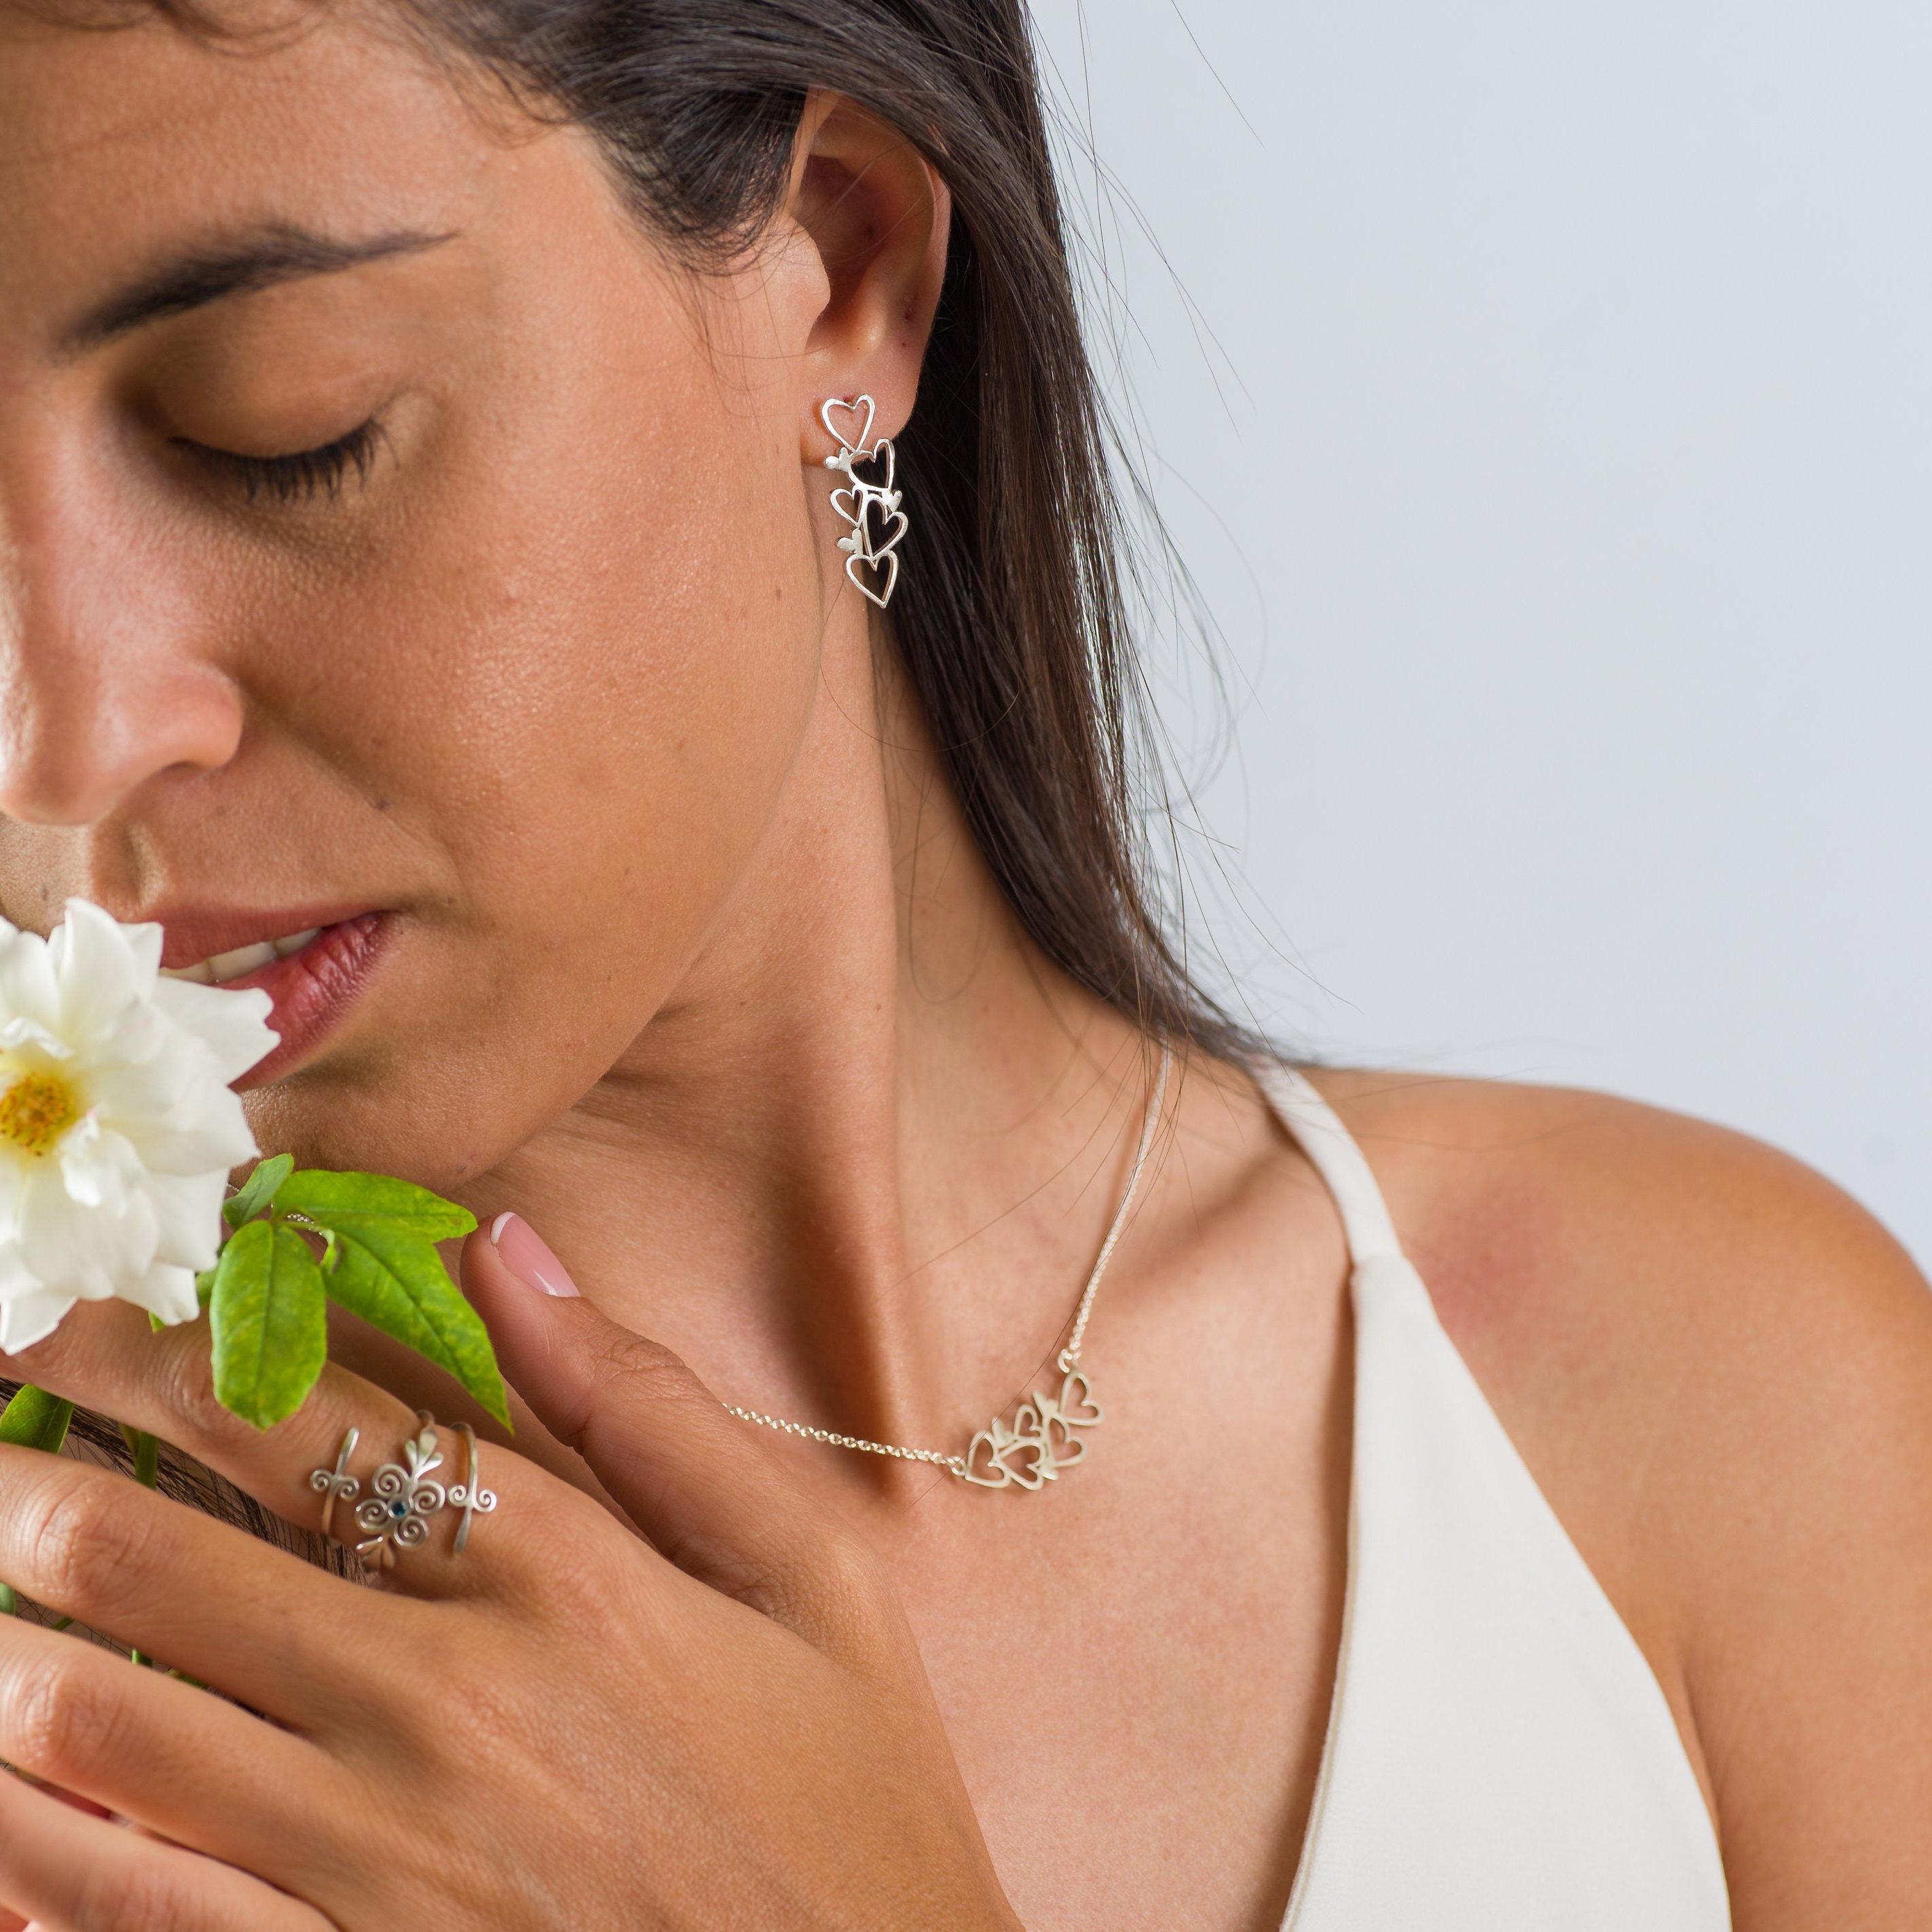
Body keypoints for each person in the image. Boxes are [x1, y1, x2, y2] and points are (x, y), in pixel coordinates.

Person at [0, 3, 1925, 1928]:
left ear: (841, 269)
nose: (59, 750)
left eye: (282, 431)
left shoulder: (1707, 1415)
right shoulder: (73, 1654)